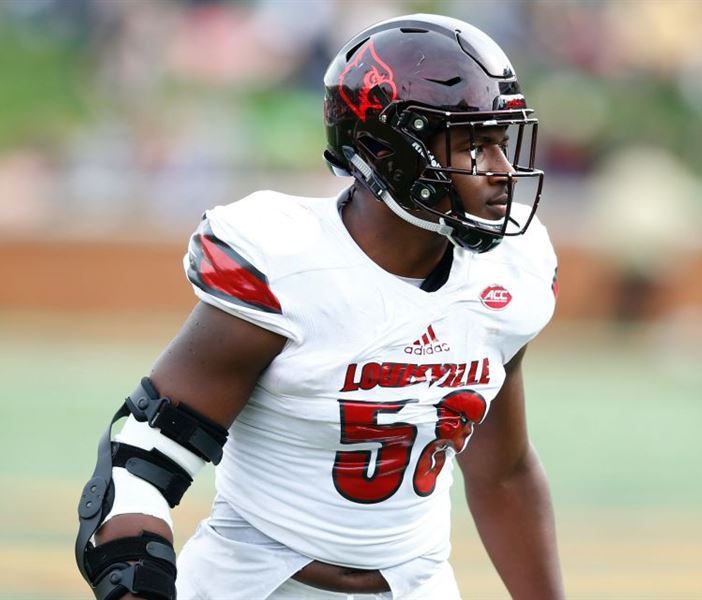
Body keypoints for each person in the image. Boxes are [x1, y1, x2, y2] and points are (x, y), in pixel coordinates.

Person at [74, 14, 564, 600]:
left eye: (501, 142)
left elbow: (503, 472)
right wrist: (136, 576)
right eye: (474, 145)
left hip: (417, 583)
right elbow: (143, 461)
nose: (502, 172)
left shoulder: (509, 272)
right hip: (254, 584)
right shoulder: (290, 266)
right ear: (388, 151)